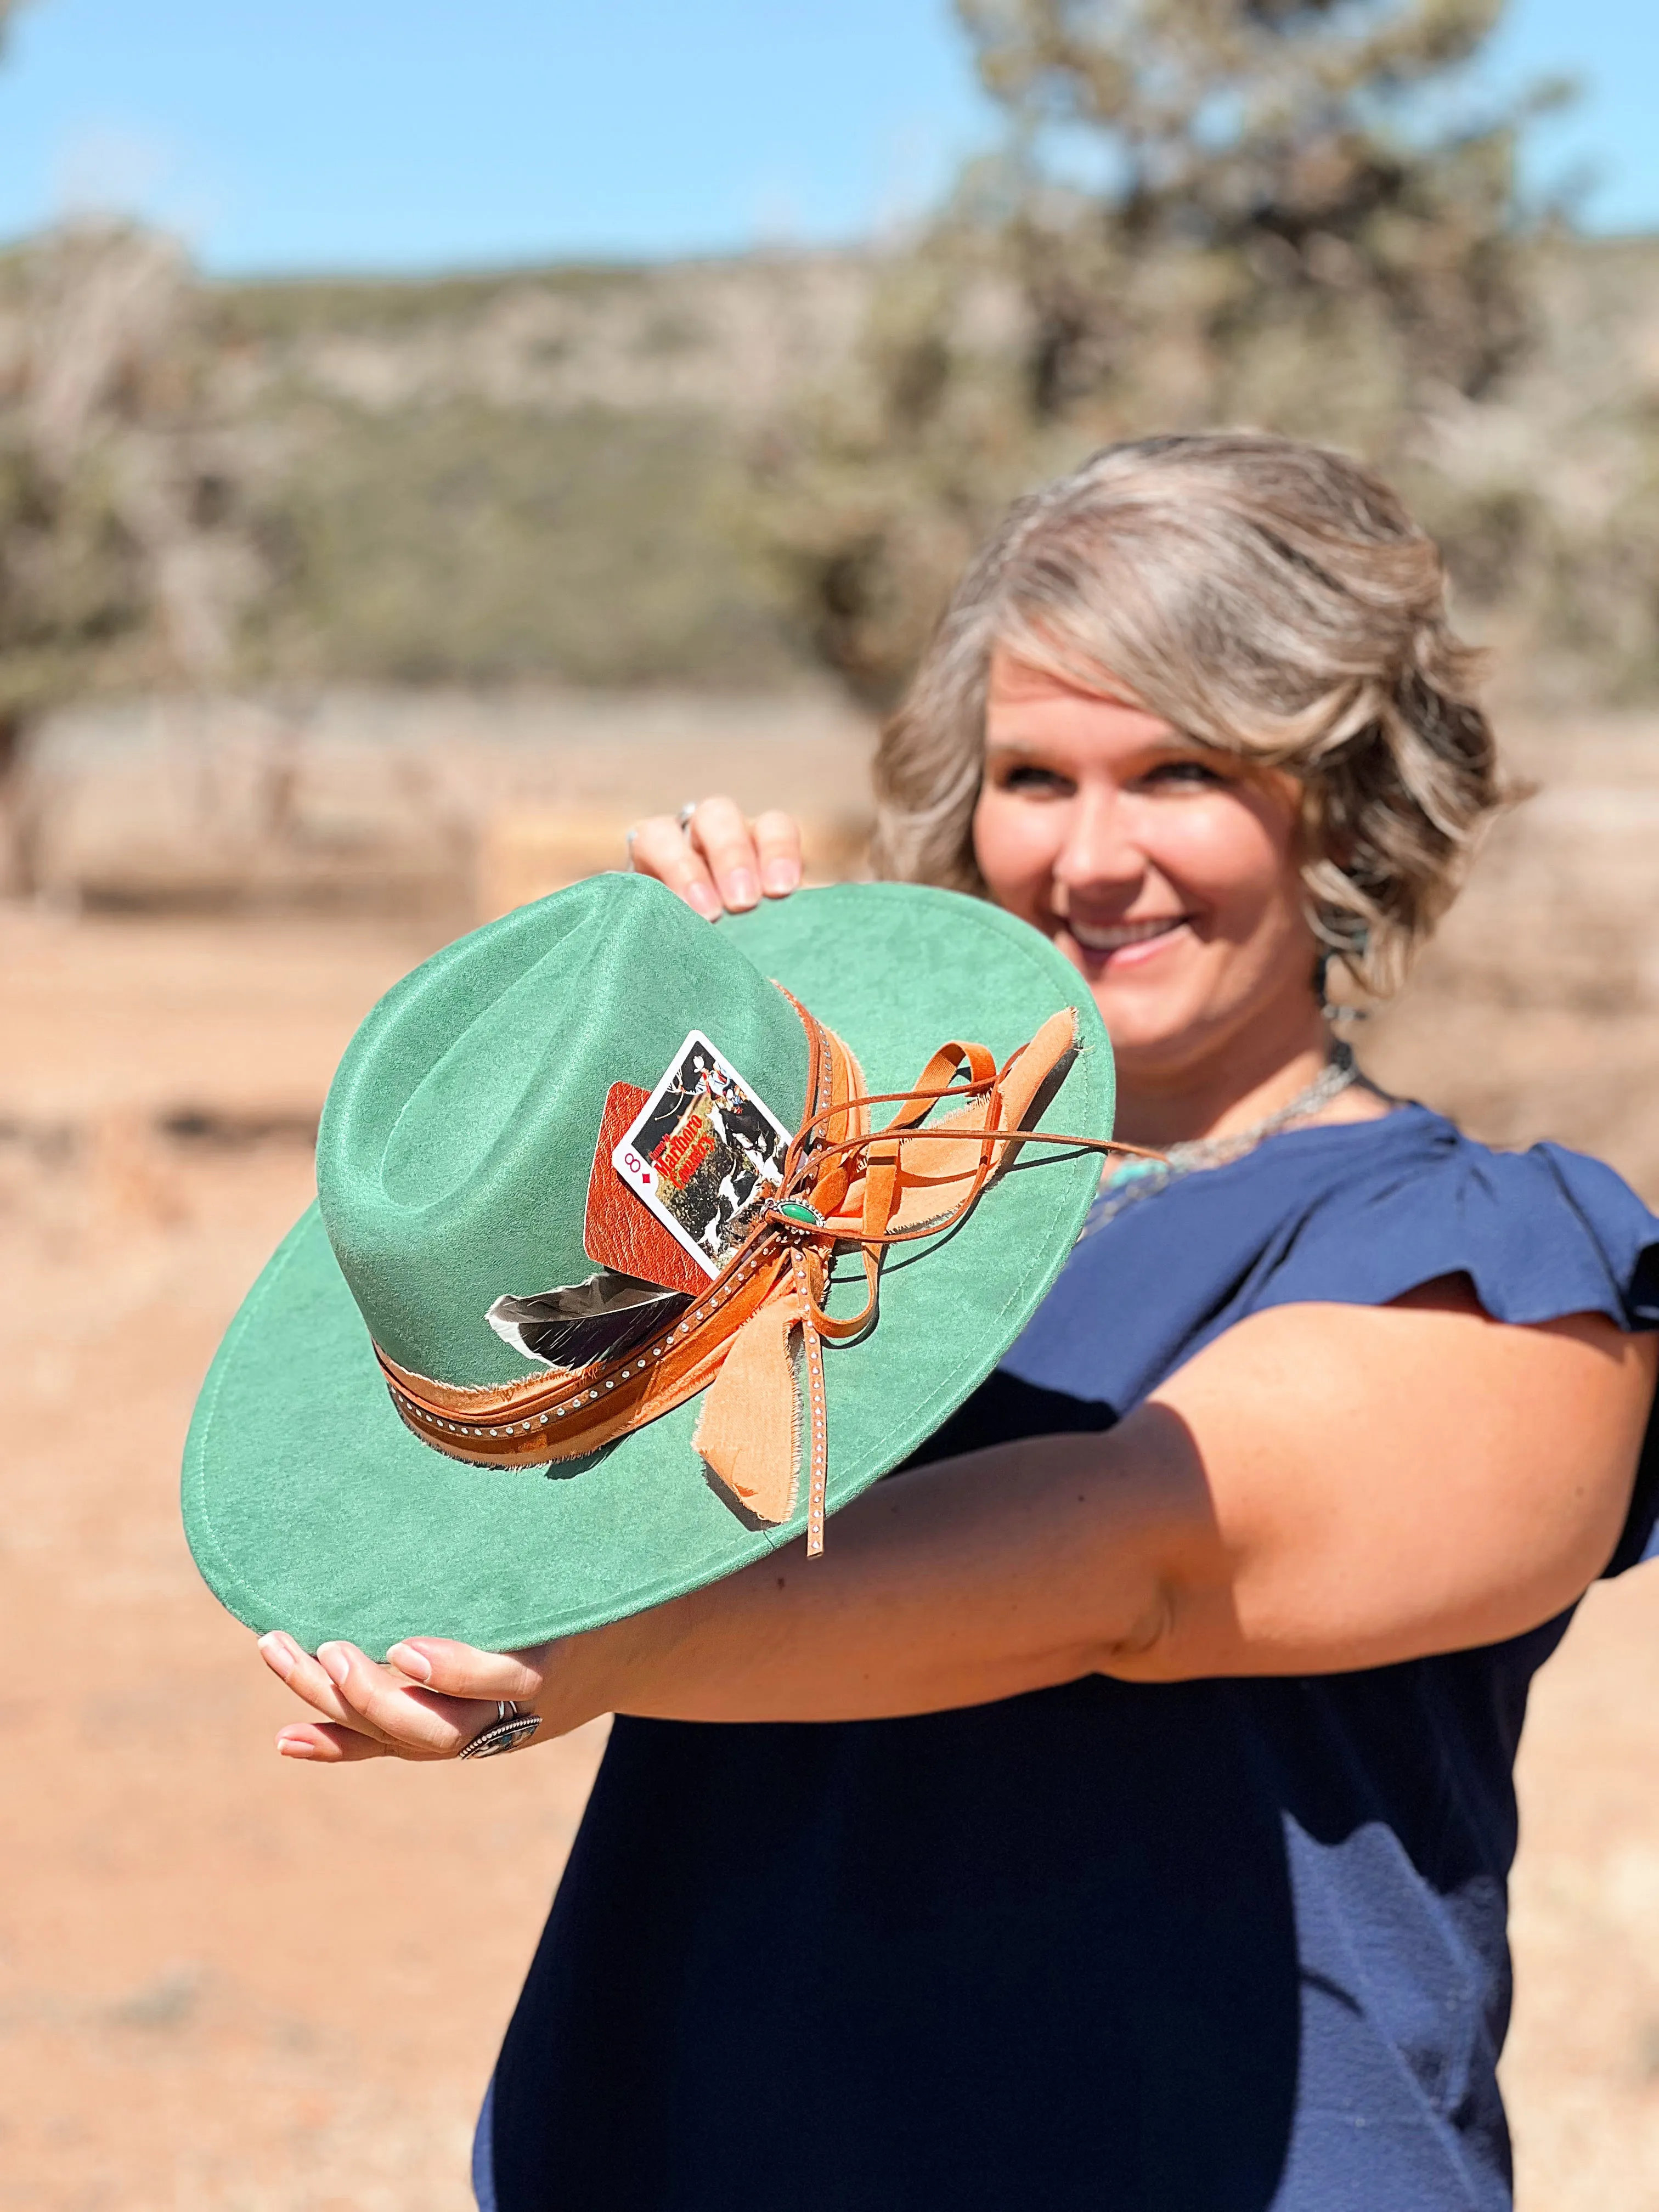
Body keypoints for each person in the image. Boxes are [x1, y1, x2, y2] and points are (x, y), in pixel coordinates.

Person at [258, 435, 1659, 2212]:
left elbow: (1135, 1563)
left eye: (1180, 772)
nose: (1092, 858)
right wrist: (678, 1042)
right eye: (1032, 775)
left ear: (1342, 794)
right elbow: (505, 1468)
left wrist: (609, 1661)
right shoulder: (847, 1204)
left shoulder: (1503, 1264)